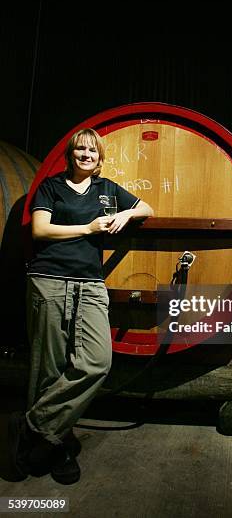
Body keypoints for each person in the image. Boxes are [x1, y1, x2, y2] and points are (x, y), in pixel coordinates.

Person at [8, 127, 153, 485]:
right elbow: (41, 230)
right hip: (50, 280)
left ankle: (31, 426)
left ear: (100, 157)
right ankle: (57, 447)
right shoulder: (52, 187)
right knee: (49, 367)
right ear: (71, 154)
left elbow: (147, 206)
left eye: (92, 150)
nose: (86, 155)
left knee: (97, 361)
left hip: (90, 284)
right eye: (80, 150)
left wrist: (126, 215)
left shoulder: (107, 191)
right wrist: (88, 228)